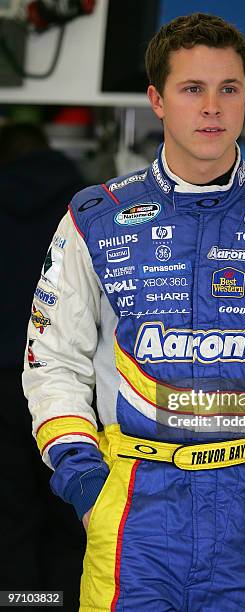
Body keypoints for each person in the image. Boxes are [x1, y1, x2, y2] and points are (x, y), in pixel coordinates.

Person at [23, 13, 245, 612]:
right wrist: (85, 485)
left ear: (244, 97)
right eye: (192, 89)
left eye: (228, 89)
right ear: (157, 99)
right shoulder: (96, 218)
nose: (212, 107)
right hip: (133, 500)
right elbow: (51, 360)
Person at [0, 122, 86, 607]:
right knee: (67, 502)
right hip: (64, 381)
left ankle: (22, 604)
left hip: (0, 383)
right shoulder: (86, 207)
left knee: (10, 514)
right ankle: (65, 602)